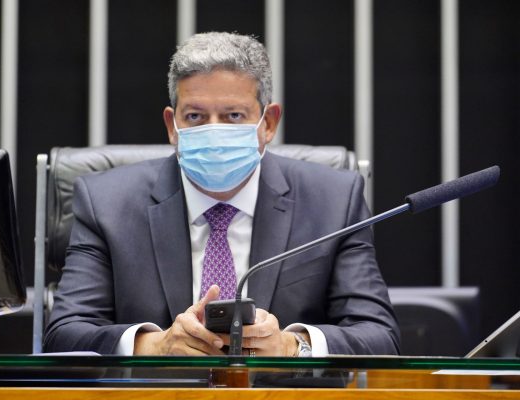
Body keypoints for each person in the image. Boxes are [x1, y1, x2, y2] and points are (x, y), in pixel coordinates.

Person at [43, 32, 400, 357]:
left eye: (233, 116)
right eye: (195, 117)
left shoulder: (334, 201)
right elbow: (64, 335)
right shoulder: (106, 203)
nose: (214, 133)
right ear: (172, 126)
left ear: (268, 123)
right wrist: (154, 345)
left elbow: (379, 336)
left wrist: (293, 346)